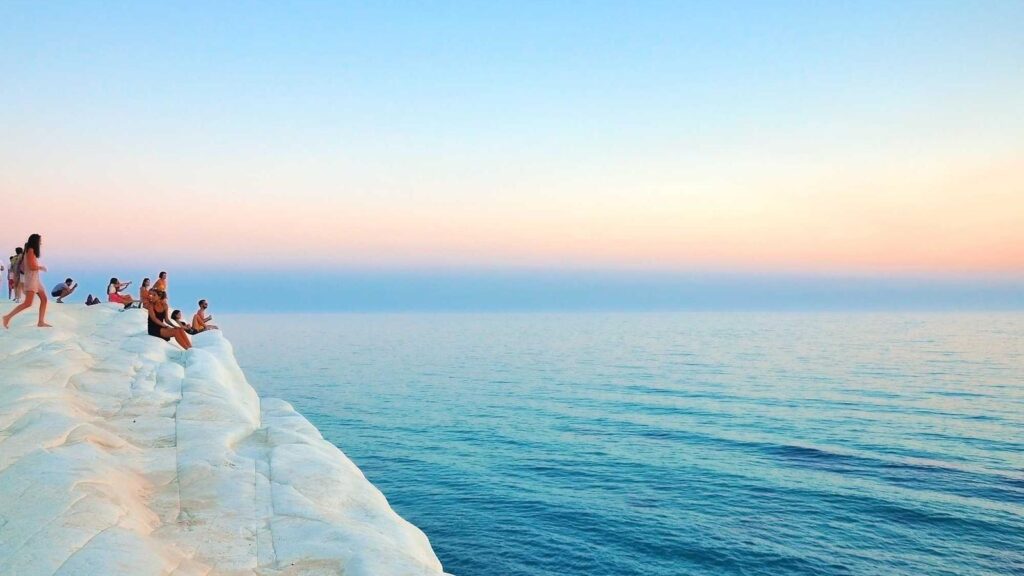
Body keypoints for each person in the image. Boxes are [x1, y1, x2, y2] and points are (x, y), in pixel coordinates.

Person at [3, 234, 50, 328]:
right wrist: (41, 267)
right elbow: (31, 266)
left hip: (35, 280)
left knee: (44, 299)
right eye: (39, 240)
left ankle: (41, 322)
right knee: (27, 303)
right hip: (31, 280)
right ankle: (7, 317)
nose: (41, 242)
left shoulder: (29, 251)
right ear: (35, 241)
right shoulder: (30, 251)